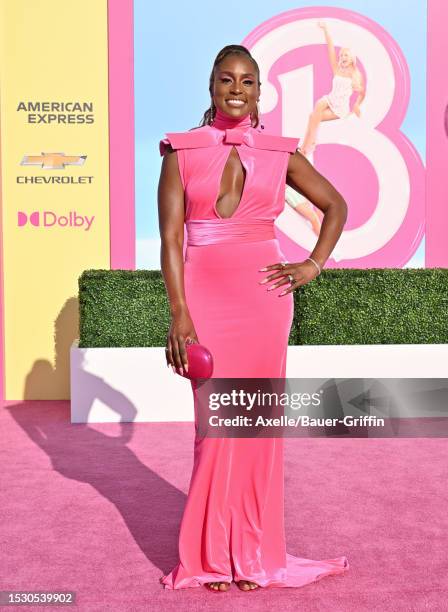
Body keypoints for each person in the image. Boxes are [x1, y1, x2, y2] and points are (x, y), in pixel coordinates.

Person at [157, 44, 349, 592]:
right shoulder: (180, 151)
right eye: (226, 79)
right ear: (212, 87)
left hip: (265, 303)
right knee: (214, 428)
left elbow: (336, 205)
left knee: (257, 428)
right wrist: (179, 313)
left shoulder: (280, 151)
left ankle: (254, 552)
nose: (236, 89)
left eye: (247, 80)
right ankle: (211, 556)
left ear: (260, 91)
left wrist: (312, 264)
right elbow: (172, 238)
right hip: (204, 302)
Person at [300, 21, 365, 156]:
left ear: (352, 58)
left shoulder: (355, 75)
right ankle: (307, 146)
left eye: (345, 55)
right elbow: (330, 49)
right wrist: (325, 30)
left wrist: (357, 106)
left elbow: (362, 92)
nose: (342, 57)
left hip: (340, 108)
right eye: (341, 55)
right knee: (317, 107)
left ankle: (306, 147)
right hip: (329, 100)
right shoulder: (337, 70)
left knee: (313, 117)